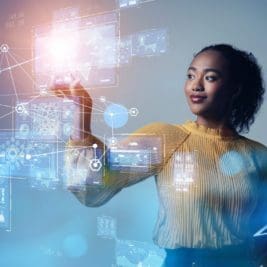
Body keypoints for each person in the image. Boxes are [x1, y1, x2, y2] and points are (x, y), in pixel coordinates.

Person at [51, 44, 267, 267]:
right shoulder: (166, 138)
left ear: (235, 89)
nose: (196, 85)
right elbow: (93, 187)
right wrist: (82, 107)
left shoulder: (259, 156)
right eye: (191, 75)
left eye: (210, 77)